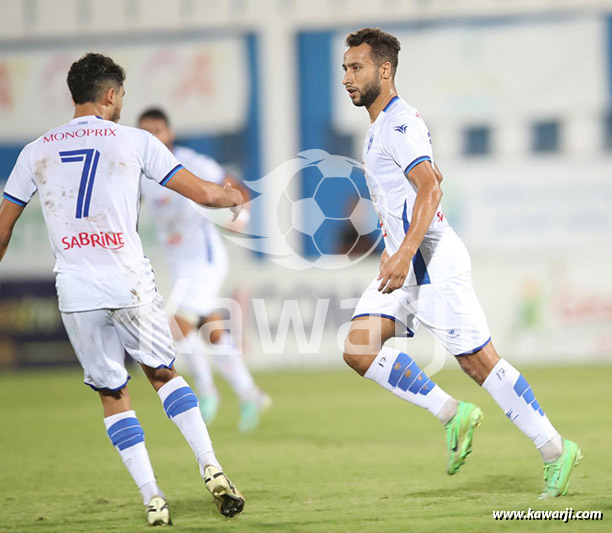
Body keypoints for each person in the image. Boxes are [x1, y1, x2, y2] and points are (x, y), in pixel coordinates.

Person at [0, 53, 246, 525]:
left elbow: (3, 227)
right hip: (128, 280)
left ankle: (153, 496)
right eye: (121, 97)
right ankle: (210, 465)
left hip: (76, 290)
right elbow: (204, 194)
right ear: (110, 95)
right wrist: (232, 196)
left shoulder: (35, 150)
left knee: (114, 395)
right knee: (163, 374)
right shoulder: (134, 141)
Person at [340, 28, 581, 499]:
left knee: (478, 362)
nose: (348, 78)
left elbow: (431, 187)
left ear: (384, 70)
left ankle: (555, 448)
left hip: (429, 261)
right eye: (345, 69)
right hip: (407, 263)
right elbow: (421, 183)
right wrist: (396, 249)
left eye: (357, 68)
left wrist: (405, 251)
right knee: (359, 348)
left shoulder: (398, 123)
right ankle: (453, 413)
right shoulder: (381, 127)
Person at [137, 108, 271, 433]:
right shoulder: (141, 172)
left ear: (169, 132)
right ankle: (250, 393)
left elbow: (233, 187)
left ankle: (206, 392)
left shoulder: (192, 163)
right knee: (211, 333)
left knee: (177, 326)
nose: (152, 136)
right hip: (177, 262)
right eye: (145, 131)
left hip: (205, 258)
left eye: (157, 129)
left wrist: (240, 217)